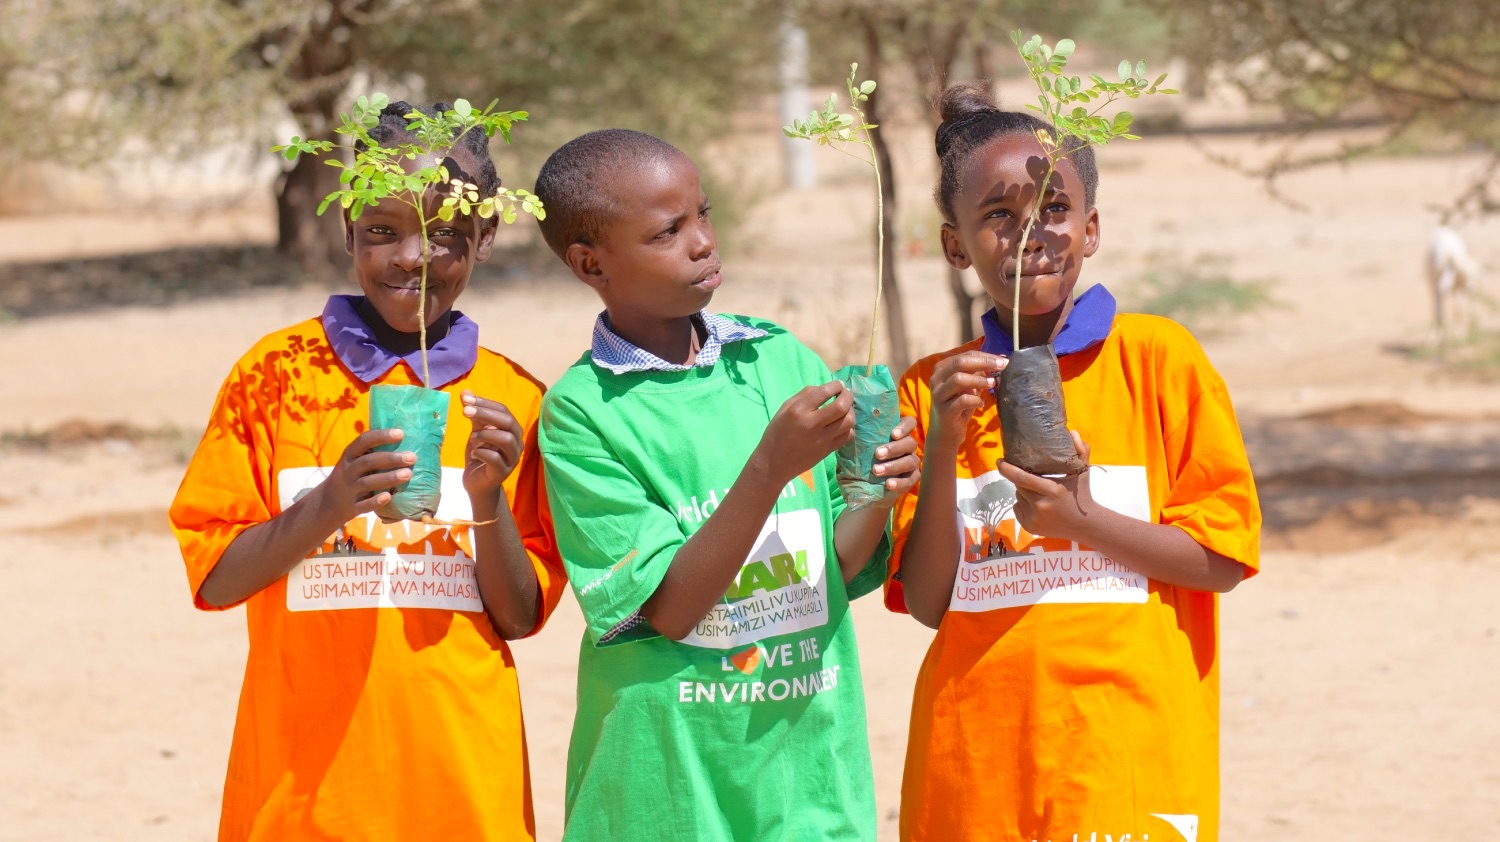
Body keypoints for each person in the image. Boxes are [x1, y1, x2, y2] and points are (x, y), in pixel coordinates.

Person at [168, 101, 566, 841]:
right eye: (381, 230)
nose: (411, 257)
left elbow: (519, 616)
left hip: (461, 787)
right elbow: (216, 580)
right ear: (347, 229)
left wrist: (486, 502)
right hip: (301, 793)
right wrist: (330, 501)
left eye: (446, 232)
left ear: (485, 237)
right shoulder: (275, 376)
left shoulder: (514, 402)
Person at [887, 82, 1262, 842]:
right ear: (955, 244)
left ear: (1090, 229)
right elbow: (930, 602)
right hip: (976, 759)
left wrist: (1080, 520)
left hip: (1128, 750)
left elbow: (1220, 558)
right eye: (999, 216)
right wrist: (942, 455)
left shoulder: (1159, 360)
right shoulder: (934, 386)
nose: (1031, 238)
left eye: (1053, 211)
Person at [532, 128, 918, 841]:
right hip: (668, 789)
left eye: (703, 214)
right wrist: (769, 468)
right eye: (667, 231)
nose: (703, 241)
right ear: (591, 263)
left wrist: (879, 492)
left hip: (807, 778)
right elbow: (671, 612)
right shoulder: (582, 413)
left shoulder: (781, 360)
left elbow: (838, 563)